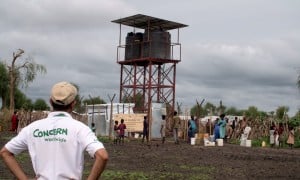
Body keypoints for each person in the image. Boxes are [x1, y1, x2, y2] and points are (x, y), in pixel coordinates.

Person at [0, 81, 108, 179]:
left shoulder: (32, 128)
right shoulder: (79, 128)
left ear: (50, 101)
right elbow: (102, 156)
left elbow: (5, 152)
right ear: (73, 104)